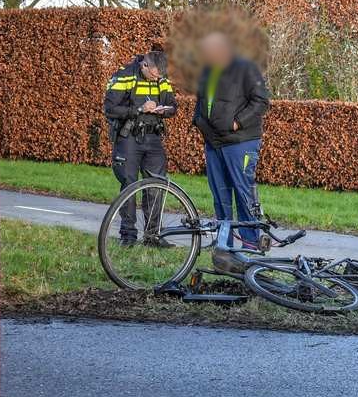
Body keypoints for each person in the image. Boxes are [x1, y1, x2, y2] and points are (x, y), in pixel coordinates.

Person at [192, 31, 270, 248]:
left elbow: (261, 101)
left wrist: (236, 122)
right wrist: (198, 120)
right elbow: (202, 100)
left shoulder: (246, 67)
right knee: (220, 195)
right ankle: (224, 243)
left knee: (243, 193)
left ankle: (251, 244)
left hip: (240, 142)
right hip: (213, 143)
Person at [104, 50, 176, 246]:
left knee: (155, 186)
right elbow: (109, 109)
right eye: (154, 75)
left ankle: (153, 236)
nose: (157, 79)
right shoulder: (124, 75)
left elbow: (172, 106)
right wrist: (138, 110)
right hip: (129, 138)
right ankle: (127, 236)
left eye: (160, 76)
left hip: (153, 137)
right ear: (144, 65)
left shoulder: (161, 77)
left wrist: (164, 109)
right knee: (129, 185)